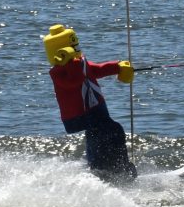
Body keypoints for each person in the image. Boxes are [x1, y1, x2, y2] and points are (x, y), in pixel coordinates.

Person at [43, 24, 138, 180]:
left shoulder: (79, 63)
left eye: (76, 45)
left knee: (102, 134)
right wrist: (71, 61)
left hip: (95, 110)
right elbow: (75, 80)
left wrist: (118, 67)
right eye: (73, 46)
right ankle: (111, 169)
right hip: (82, 115)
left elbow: (95, 69)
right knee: (110, 131)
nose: (77, 49)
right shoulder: (58, 73)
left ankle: (104, 168)